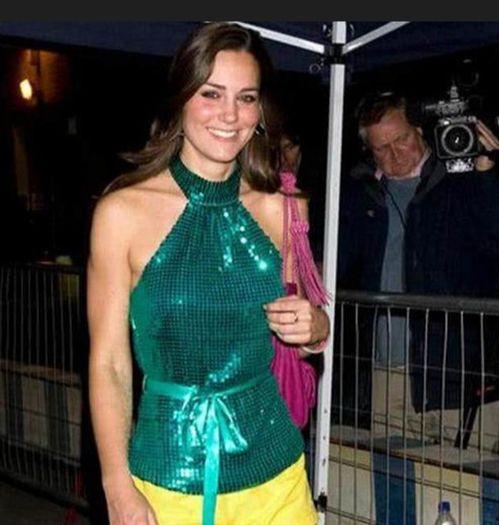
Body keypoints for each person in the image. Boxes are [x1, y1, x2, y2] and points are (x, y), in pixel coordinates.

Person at [87, 22, 329, 525]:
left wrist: (315, 327)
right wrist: (117, 487)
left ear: (260, 112)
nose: (229, 114)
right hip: (166, 481)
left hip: (278, 476)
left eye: (246, 98)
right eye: (211, 93)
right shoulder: (121, 214)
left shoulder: (285, 208)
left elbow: (305, 337)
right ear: (181, 99)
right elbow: (109, 363)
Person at [337, 90, 499, 419]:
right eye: (382, 148)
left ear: (420, 130)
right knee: (385, 454)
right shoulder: (360, 193)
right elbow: (334, 264)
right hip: (386, 370)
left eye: (402, 139)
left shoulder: (462, 179)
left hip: (459, 375)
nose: (395, 153)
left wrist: (486, 173)